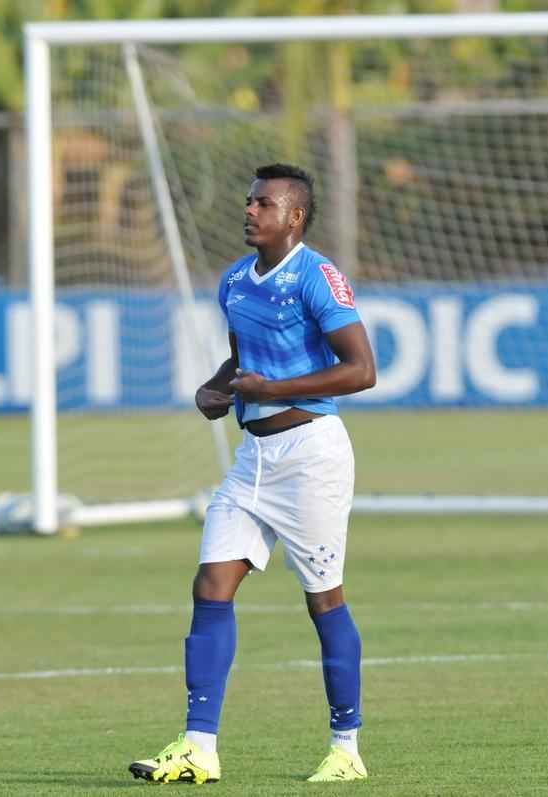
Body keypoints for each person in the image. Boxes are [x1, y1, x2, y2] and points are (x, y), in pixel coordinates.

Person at [129, 164, 376, 785]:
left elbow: (360, 370)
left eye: (262, 203)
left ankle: (346, 749)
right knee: (211, 585)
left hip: (311, 456)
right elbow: (244, 361)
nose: (249, 211)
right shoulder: (235, 281)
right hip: (253, 461)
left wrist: (275, 388)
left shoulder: (318, 277)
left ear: (293, 217)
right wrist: (216, 389)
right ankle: (198, 747)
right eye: (248, 201)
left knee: (324, 600)